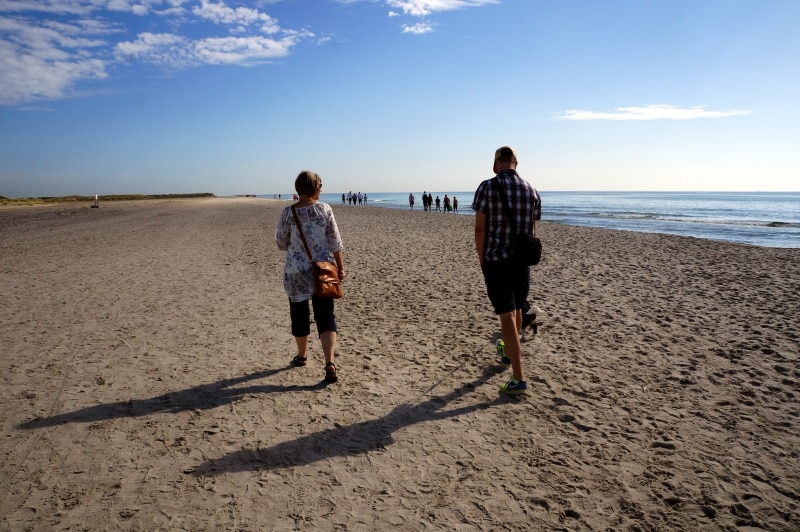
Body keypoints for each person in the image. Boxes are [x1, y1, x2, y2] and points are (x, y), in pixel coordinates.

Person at [472, 146, 541, 395]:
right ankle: (512, 355)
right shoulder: (531, 189)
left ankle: (518, 378)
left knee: (506, 315)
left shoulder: (487, 187)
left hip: (496, 259)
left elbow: (480, 229)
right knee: (517, 307)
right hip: (522, 262)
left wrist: (481, 257)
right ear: (516, 163)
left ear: (495, 164)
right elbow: (533, 230)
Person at [276, 171, 345, 383]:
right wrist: (340, 268)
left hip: (296, 271)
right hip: (322, 269)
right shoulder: (324, 209)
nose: (321, 189)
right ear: (314, 187)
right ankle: (329, 362)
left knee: (299, 314)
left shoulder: (288, 212)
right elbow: (335, 241)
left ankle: (302, 356)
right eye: (320, 185)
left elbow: (281, 243)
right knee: (326, 316)